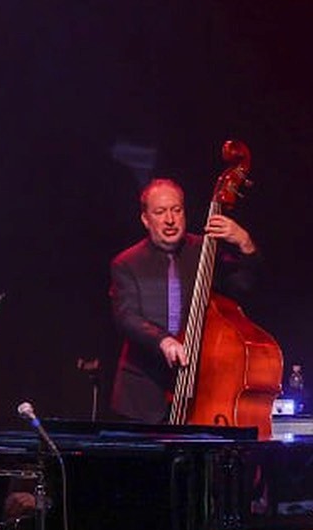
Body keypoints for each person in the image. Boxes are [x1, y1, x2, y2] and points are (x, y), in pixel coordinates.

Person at [107, 176, 260, 423]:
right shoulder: (126, 263)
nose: (170, 219)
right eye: (160, 212)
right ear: (145, 219)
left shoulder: (206, 250)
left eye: (176, 210)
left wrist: (245, 243)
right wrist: (164, 341)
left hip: (200, 390)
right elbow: (126, 317)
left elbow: (245, 287)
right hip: (142, 397)